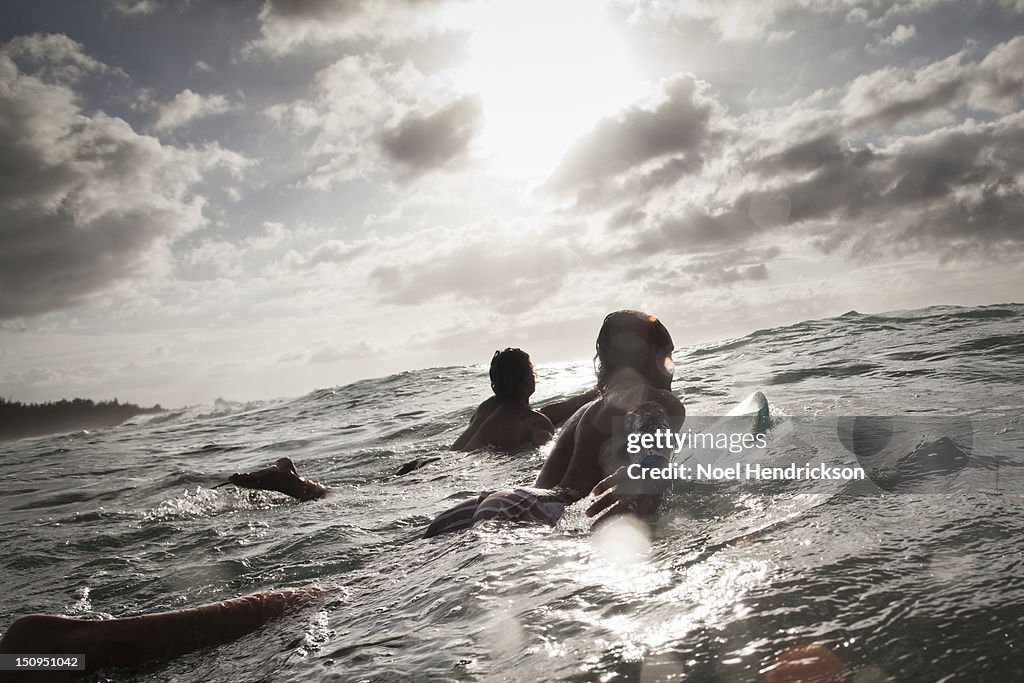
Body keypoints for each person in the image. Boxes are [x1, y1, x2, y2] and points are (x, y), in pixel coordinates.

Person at [424, 310, 685, 537]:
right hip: (544, 508)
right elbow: (648, 416)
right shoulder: (652, 396)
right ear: (647, 356)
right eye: (667, 355)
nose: (671, 366)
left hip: (503, 501)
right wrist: (651, 468)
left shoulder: (587, 409)